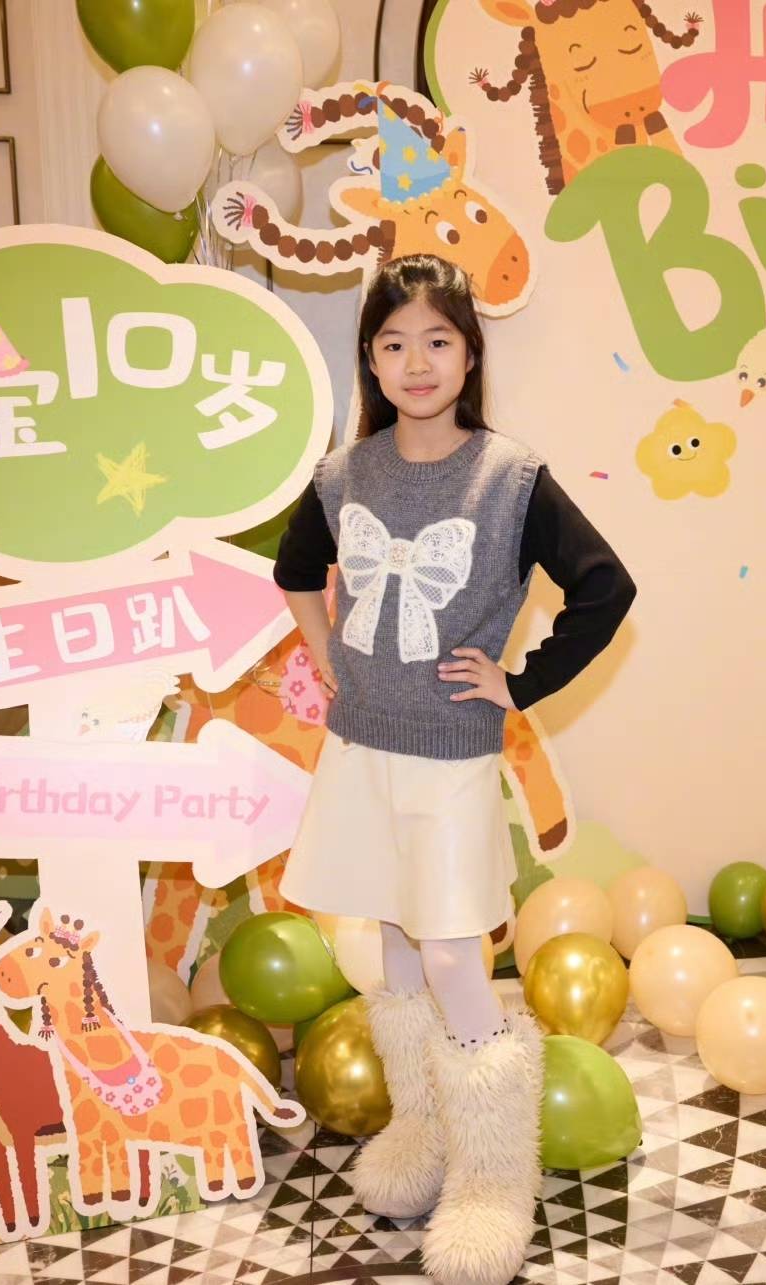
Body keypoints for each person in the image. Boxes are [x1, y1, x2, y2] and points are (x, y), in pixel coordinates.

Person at [271, 253, 635, 1285]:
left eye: (437, 339)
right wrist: (327, 656)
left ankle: (492, 1177)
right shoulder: (345, 474)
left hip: (449, 757)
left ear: (470, 353)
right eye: (393, 343)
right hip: (361, 745)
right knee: (389, 944)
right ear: (371, 361)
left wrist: (520, 681)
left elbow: (606, 588)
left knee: (447, 956)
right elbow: (294, 570)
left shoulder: (508, 476)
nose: (416, 361)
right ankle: (422, 1133)